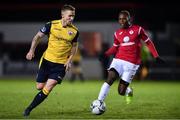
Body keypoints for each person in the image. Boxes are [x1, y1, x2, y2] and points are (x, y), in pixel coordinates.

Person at [97, 10, 164, 104]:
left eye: (124, 19)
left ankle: (128, 90)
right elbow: (115, 47)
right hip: (118, 60)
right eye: (120, 19)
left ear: (129, 19)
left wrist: (156, 56)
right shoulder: (117, 33)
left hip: (132, 63)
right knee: (110, 78)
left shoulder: (138, 29)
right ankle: (99, 102)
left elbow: (148, 42)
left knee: (121, 92)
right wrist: (105, 54)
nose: (121, 21)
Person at [23, 4, 79, 117]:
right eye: (69, 16)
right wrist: (31, 50)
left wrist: (69, 60)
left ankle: (28, 109)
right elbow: (37, 37)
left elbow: (74, 47)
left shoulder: (75, 31)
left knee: (48, 87)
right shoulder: (51, 25)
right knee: (39, 87)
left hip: (60, 65)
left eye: (73, 16)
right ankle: (38, 96)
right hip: (47, 60)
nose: (71, 18)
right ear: (62, 15)